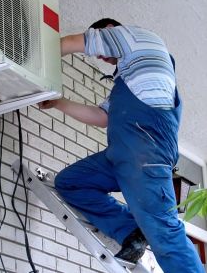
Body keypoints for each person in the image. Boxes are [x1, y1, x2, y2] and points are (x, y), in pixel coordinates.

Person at [39, 18, 204, 273]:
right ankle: (131, 232)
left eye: (100, 41)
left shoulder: (132, 37)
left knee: (165, 235)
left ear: (109, 31)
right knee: (71, 183)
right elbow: (101, 117)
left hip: (146, 158)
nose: (102, 58)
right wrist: (58, 102)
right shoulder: (132, 78)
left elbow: (71, 43)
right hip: (121, 158)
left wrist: (36, 60)